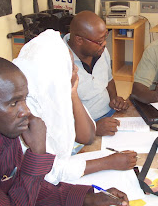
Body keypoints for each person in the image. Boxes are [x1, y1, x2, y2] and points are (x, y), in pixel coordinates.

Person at [0, 56, 130, 206]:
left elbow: (25, 186)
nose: (25, 111)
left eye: (24, 99)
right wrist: (37, 154)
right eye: (13, 103)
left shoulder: (1, 123)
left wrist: (87, 198)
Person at [13, 29, 137, 186]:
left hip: (72, 161)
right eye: (70, 67)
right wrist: (108, 162)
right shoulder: (25, 112)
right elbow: (51, 172)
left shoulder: (55, 92)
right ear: (52, 73)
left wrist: (72, 94)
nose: (76, 70)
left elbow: (87, 136)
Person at [63, 11, 129, 136]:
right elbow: (57, 116)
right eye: (99, 41)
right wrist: (93, 128)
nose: (104, 44)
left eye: (105, 37)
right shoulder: (60, 61)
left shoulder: (100, 51)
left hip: (109, 114)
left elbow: (109, 79)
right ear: (79, 40)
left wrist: (114, 99)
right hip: (82, 128)